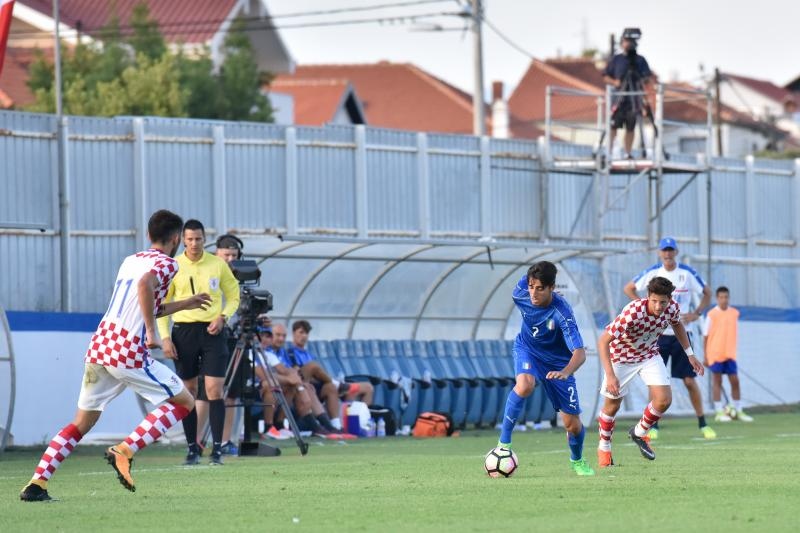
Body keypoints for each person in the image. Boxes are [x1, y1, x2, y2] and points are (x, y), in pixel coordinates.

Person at [20, 210, 212, 502]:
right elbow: (145, 285)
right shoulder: (167, 264)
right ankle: (125, 450)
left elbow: (146, 301)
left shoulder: (131, 260)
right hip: (127, 349)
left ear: (148, 235)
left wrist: (187, 302)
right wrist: (151, 332)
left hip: (100, 345)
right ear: (176, 239)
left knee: (80, 423)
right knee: (185, 401)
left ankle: (37, 483)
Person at [497, 261, 595, 477]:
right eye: (532, 286)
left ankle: (577, 460)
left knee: (572, 425)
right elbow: (530, 277)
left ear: (552, 288)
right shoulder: (520, 293)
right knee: (524, 385)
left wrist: (566, 372)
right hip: (528, 349)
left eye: (540, 288)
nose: (533, 293)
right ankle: (503, 444)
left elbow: (580, 353)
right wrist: (533, 281)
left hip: (559, 364)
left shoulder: (562, 312)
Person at [157, 219, 241, 465]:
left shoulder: (217, 264)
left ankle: (217, 449)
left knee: (215, 390)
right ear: (183, 240)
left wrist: (223, 316)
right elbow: (161, 307)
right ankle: (193, 448)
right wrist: (164, 338)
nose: (194, 243)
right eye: (190, 239)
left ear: (205, 240)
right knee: (189, 392)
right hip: (183, 332)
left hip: (213, 332)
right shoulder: (173, 266)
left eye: (199, 239)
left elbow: (233, 295)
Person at [597, 276, 704, 466]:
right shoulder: (633, 312)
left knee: (664, 400)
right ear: (647, 296)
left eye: (663, 302)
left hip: (648, 356)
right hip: (620, 358)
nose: (658, 306)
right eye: (654, 301)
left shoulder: (671, 309)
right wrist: (611, 375)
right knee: (612, 406)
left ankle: (639, 433)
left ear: (670, 300)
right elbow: (603, 341)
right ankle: (604, 447)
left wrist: (690, 354)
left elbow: (678, 324)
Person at [623, 236, 715, 440]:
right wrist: (643, 308)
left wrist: (697, 313)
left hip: (682, 334)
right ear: (659, 252)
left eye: (670, 250)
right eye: (664, 250)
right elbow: (628, 287)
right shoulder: (653, 272)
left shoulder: (687, 273)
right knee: (654, 382)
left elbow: (708, 292)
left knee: (690, 381)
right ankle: (652, 426)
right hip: (657, 336)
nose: (667, 253)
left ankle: (702, 423)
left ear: (676, 252)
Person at [268, 323, 352, 438]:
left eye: (283, 336)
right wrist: (298, 382)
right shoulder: (282, 352)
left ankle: (333, 426)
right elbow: (279, 373)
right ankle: (319, 426)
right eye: (277, 335)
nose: (281, 339)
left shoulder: (283, 352)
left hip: (299, 383)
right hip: (279, 386)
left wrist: (298, 380)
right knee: (310, 372)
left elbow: (291, 370)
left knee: (327, 387)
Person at [290, 320, 374, 417]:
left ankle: (358, 420)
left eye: (306, 333)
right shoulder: (291, 353)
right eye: (301, 332)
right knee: (316, 369)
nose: (304, 336)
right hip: (313, 388)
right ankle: (338, 386)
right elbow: (299, 375)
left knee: (368, 387)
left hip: (325, 383)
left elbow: (321, 373)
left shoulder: (309, 354)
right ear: (293, 333)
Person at [703, 286, 753, 422]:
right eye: (721, 297)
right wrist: (706, 356)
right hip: (715, 353)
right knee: (717, 381)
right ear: (717, 298)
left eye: (726, 297)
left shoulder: (734, 313)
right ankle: (719, 412)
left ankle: (738, 410)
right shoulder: (711, 314)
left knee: (735, 381)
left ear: (728, 298)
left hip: (730, 354)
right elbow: (706, 336)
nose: (723, 300)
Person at [602, 28, 652, 159]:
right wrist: (615, 82)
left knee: (631, 127)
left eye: (631, 41)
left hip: (633, 101)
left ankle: (627, 153)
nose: (629, 44)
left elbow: (647, 78)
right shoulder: (616, 60)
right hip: (618, 99)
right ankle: (609, 152)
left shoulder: (640, 60)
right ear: (622, 42)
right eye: (627, 41)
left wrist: (640, 80)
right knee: (613, 126)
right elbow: (605, 75)